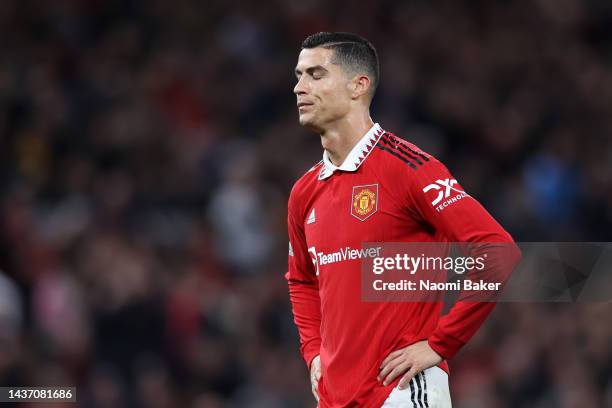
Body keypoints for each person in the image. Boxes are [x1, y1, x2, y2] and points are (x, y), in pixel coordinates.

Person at [285, 32, 521, 407]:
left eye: (315, 74)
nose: (299, 87)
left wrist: (441, 344)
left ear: (357, 86)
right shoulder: (304, 192)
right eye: (298, 75)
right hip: (334, 397)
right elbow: (301, 278)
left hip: (401, 393)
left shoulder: (409, 169)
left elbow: (497, 251)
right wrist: (313, 351)